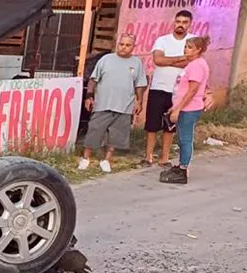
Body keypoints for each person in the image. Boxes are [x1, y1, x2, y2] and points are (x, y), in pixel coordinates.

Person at [78, 34, 146, 173]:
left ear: (133, 47)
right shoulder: (106, 59)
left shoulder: (136, 63)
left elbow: (139, 84)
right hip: (104, 103)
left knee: (116, 135)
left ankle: (106, 160)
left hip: (124, 105)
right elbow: (93, 79)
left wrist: (139, 101)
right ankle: (85, 158)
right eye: (121, 44)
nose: (123, 48)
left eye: (127, 45)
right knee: (94, 130)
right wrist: (89, 96)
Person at [144, 10, 194, 167]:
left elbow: (191, 61)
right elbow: (158, 60)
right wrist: (180, 58)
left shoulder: (192, 41)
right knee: (152, 123)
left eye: (184, 22)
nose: (181, 25)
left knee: (170, 125)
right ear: (174, 22)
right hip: (158, 86)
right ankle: (148, 156)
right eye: (178, 21)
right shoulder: (162, 40)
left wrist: (169, 60)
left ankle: (164, 158)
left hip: (178, 90)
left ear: (190, 23)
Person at [160, 35, 210, 185]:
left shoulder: (197, 66)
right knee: (182, 139)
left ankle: (183, 170)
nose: (185, 50)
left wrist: (178, 109)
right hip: (184, 107)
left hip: (190, 108)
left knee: (185, 139)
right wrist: (174, 107)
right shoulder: (192, 64)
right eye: (185, 47)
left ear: (198, 50)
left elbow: (192, 90)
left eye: (189, 47)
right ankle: (181, 165)